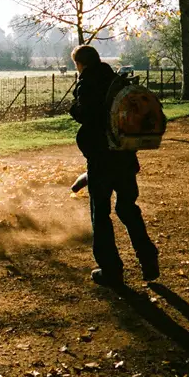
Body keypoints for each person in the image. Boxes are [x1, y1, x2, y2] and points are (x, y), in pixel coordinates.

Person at [68, 45, 159, 286]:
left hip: (101, 157)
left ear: (80, 64)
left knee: (101, 213)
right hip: (125, 153)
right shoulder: (116, 81)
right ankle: (148, 256)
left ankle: (111, 269)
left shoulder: (88, 83)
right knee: (127, 207)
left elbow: (88, 115)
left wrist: (73, 108)